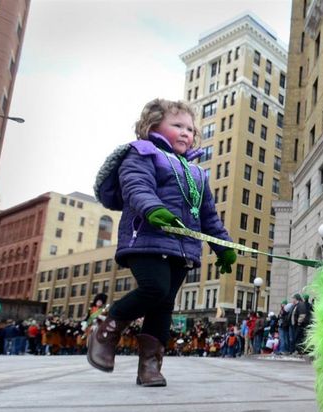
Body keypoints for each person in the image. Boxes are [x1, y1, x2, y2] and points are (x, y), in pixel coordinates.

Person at [87, 98, 236, 386]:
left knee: (164, 304)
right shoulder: (142, 152)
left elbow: (208, 217)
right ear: (153, 126)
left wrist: (224, 247)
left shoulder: (197, 174)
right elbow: (136, 185)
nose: (185, 132)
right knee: (154, 289)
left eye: (190, 129)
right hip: (147, 238)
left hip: (182, 249)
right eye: (177, 125)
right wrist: (153, 209)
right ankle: (106, 330)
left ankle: (150, 367)